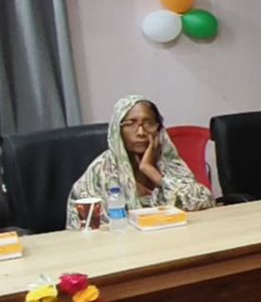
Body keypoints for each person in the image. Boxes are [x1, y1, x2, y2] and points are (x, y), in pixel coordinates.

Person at [65, 95, 213, 227]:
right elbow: (82, 226)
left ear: (158, 129)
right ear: (117, 130)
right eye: (130, 123)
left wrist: (151, 171)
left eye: (149, 123)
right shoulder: (101, 171)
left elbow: (203, 201)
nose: (141, 132)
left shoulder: (168, 163)